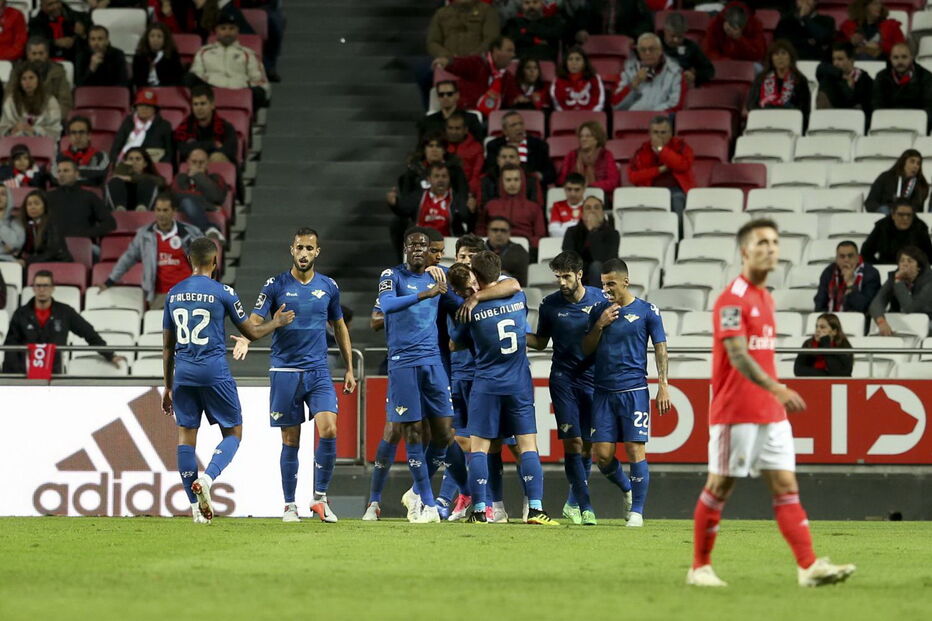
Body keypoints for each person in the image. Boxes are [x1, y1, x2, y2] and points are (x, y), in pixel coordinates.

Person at [687, 218, 856, 588]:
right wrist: (777, 388)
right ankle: (699, 568)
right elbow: (738, 355)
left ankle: (808, 567)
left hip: (771, 412)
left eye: (774, 242)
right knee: (720, 486)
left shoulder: (766, 298)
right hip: (736, 411)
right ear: (745, 251)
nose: (770, 249)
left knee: (785, 485)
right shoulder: (731, 299)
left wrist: (774, 396)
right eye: (761, 242)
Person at [162, 237, 295, 523]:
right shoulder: (224, 292)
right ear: (215, 261)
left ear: (189, 260)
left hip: (182, 374)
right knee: (233, 432)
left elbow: (167, 347)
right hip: (214, 372)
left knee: (186, 436)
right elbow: (252, 332)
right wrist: (277, 322)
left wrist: (167, 387)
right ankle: (208, 479)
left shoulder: (173, 294)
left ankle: (195, 510)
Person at [229, 228, 356, 523]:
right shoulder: (275, 285)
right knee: (291, 440)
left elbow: (339, 327)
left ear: (317, 252)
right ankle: (289, 505)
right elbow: (254, 322)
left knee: (329, 429)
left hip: (318, 371)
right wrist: (247, 338)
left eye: (309, 248)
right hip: (285, 371)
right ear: (292, 250)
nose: (304, 253)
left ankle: (320, 498)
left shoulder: (329, 286)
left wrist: (349, 367)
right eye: (300, 247)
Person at [448, 252, 558, 525]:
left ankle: (479, 510)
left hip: (486, 384)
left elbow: (455, 344)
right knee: (527, 445)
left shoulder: (469, 312)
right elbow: (512, 284)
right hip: (518, 383)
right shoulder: (517, 297)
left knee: (479, 448)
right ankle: (535, 509)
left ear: (476, 275)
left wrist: (471, 303)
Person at [367, 228, 455, 523]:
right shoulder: (392, 275)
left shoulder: (439, 275)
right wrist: (423, 294)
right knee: (405, 431)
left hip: (433, 361)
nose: (418, 248)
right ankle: (421, 503)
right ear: (405, 248)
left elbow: (463, 290)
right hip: (403, 361)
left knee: (445, 432)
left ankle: (418, 493)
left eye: (424, 245)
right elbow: (384, 308)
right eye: (412, 244)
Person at [582, 258, 670, 528]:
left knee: (635, 448)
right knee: (602, 456)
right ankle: (627, 488)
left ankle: (637, 512)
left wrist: (663, 385)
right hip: (603, 391)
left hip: (634, 390)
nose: (606, 289)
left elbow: (660, 347)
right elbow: (586, 349)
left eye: (611, 283)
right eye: (603, 284)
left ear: (625, 282)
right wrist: (599, 325)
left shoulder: (647, 311)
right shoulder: (598, 310)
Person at [526, 251, 607, 525]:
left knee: (588, 445)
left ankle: (573, 503)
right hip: (564, 379)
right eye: (558, 277)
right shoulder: (550, 305)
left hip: (594, 378)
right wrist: (516, 332)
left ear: (579, 275)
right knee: (573, 442)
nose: (562, 282)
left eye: (567, 276)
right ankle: (587, 507)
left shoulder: (600, 299)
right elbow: (540, 342)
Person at [1, 269, 125, 374]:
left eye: (46, 286)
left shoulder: (65, 312)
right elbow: (10, 347)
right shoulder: (20, 314)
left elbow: (89, 333)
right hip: (25, 376)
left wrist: (110, 355)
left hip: (54, 376)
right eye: (38, 286)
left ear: (52, 288)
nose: (42, 290)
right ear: (33, 288)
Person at [103, 192, 202, 309]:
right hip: (159, 296)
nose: (161, 214)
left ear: (173, 211)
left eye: (165, 210)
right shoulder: (144, 235)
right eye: (158, 210)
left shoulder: (189, 232)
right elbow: (129, 257)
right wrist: (110, 281)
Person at [387, 161, 474, 256]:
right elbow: (403, 209)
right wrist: (394, 203)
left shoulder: (456, 199)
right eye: (436, 176)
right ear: (429, 179)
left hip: (448, 246)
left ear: (449, 179)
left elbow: (466, 218)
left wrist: (471, 211)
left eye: (444, 176)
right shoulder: (419, 196)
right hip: (421, 245)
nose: (440, 179)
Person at [189, 14, 270, 110]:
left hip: (240, 93)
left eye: (231, 28)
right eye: (223, 28)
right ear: (216, 31)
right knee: (189, 78)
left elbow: (259, 81)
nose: (227, 32)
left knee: (260, 92)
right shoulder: (203, 52)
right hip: (211, 94)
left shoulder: (249, 54)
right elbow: (197, 75)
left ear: (237, 31)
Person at [431, 37, 520, 117]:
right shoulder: (477, 63)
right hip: (469, 114)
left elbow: (512, 98)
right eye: (509, 51)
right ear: (496, 50)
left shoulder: (507, 77)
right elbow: (459, 65)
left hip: (492, 118)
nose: (513, 55)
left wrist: (518, 99)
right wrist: (447, 62)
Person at [628, 115, 695, 218]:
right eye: (655, 132)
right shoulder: (642, 151)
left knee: (677, 199)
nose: (659, 136)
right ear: (650, 134)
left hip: (677, 189)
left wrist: (661, 149)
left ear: (671, 133)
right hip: (650, 190)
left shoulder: (681, 146)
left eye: (663, 132)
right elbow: (633, 177)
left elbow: (683, 165)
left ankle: (679, 228)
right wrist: (660, 170)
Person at [46, 157, 114, 244]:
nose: (61, 174)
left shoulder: (89, 197)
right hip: (55, 246)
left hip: (84, 245)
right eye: (59, 171)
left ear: (77, 174)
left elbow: (110, 223)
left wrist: (86, 234)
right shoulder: (48, 197)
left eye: (66, 171)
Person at [477, 164, 546, 248]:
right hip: (493, 249)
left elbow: (540, 235)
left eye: (516, 179)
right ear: (502, 182)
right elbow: (480, 231)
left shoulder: (534, 208)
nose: (512, 184)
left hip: (526, 250)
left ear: (522, 181)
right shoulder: (490, 206)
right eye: (508, 180)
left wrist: (528, 245)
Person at [747, 40, 811, 130]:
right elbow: (751, 104)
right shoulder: (761, 78)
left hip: (790, 124)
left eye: (783, 53)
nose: (780, 57)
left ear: (790, 57)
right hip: (764, 122)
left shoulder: (799, 80)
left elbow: (804, 108)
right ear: (771, 58)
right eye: (776, 54)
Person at [612, 33, 685, 112]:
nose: (647, 53)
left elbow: (676, 105)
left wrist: (651, 115)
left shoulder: (675, 72)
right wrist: (633, 84)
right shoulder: (628, 72)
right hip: (631, 118)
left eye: (652, 49)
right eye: (643, 50)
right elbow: (615, 105)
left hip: (661, 118)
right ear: (639, 52)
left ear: (660, 50)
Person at [485, 110, 556, 187]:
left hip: (532, 187)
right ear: (505, 131)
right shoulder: (494, 146)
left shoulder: (539, 145)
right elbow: (490, 171)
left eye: (521, 124)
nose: (519, 128)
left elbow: (550, 173)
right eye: (513, 125)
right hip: (502, 185)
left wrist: (538, 176)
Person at [6, 37, 73, 118]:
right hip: (21, 118)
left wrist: (50, 119)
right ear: (28, 54)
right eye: (34, 54)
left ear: (47, 53)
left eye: (41, 53)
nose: (37, 57)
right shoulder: (17, 71)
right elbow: (9, 98)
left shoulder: (58, 72)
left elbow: (65, 102)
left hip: (50, 118)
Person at [171, 147, 228, 241]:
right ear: (188, 162)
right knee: (187, 201)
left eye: (201, 162)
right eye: (194, 162)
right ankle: (209, 229)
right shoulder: (180, 178)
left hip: (209, 215)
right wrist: (210, 206)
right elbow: (176, 196)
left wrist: (198, 176)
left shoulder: (215, 178)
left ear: (207, 163)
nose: (197, 165)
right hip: (184, 216)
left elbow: (217, 197)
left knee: (187, 200)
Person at [870, 246, 932, 331]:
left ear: (919, 267)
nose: (905, 264)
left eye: (910, 261)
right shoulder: (894, 277)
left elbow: (910, 308)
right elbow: (877, 303)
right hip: (898, 324)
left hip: (925, 325)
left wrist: (899, 282)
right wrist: (881, 321)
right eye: (902, 261)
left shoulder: (929, 281)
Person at [173, 84, 239, 164]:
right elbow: (183, 150)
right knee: (196, 158)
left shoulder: (226, 127)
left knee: (217, 157)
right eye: (195, 104)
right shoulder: (184, 128)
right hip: (193, 168)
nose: (199, 108)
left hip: (218, 166)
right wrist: (212, 145)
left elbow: (230, 151)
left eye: (203, 103)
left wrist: (195, 146)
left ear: (212, 105)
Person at [562, 196, 619, 286]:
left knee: (596, 266)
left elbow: (607, 262)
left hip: (603, 280)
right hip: (578, 278)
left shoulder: (612, 234)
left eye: (596, 207)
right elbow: (570, 260)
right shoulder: (572, 232)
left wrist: (593, 232)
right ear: (582, 213)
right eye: (588, 208)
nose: (592, 211)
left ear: (603, 212)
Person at [814, 241, 882, 314]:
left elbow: (865, 307)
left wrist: (850, 284)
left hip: (860, 319)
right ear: (836, 259)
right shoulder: (829, 272)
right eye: (842, 256)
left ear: (858, 257)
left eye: (850, 256)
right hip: (832, 318)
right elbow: (819, 303)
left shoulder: (871, 273)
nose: (846, 260)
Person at [111, 89, 175, 164]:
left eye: (148, 106)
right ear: (136, 108)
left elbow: (169, 153)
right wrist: (121, 162)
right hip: (128, 162)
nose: (144, 109)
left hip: (153, 163)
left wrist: (158, 166)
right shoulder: (128, 123)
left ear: (154, 110)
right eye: (141, 105)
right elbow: (115, 148)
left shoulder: (164, 125)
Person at [0, 63, 62, 139]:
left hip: (43, 142)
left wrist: (34, 130)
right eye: (24, 79)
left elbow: (55, 130)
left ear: (38, 80)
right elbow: (3, 128)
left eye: (31, 78)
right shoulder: (11, 101)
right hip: (15, 141)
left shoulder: (50, 101)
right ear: (20, 82)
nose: (27, 82)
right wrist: (13, 129)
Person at [557, 120, 620, 195]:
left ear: (597, 139)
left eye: (588, 136)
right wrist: (575, 186)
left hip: (600, 195)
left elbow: (613, 182)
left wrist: (589, 186)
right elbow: (561, 180)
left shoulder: (606, 155)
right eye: (581, 136)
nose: (583, 139)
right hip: (573, 194)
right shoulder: (572, 155)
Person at [861, 200, 932, 265]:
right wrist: (879, 267)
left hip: (914, 270)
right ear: (893, 215)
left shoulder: (920, 228)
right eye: (901, 214)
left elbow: (929, 256)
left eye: (909, 215)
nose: (905, 218)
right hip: (886, 266)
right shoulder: (882, 226)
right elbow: (866, 252)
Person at [426, 0, 501, 60]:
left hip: (478, 64)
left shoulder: (487, 11)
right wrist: (446, 56)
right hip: (448, 64)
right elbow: (433, 42)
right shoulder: (441, 13)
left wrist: (473, 58)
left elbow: (492, 39)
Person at [12, 190, 70, 266]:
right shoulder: (27, 225)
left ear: (45, 206)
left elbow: (52, 252)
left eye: (36, 203)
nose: (32, 207)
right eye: (29, 204)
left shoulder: (53, 224)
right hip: (37, 263)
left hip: (58, 264)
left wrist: (27, 261)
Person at [871, 42, 932, 113]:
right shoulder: (881, 77)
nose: (900, 61)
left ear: (911, 57)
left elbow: (929, 106)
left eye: (904, 57)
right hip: (888, 118)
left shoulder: (925, 76)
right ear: (890, 59)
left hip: (917, 118)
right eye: (895, 57)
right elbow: (876, 105)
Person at [864, 150, 929, 215]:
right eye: (912, 162)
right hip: (885, 215)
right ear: (903, 162)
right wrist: (882, 210)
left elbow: (918, 209)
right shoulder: (885, 177)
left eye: (918, 163)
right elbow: (870, 202)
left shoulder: (921, 185)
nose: (915, 166)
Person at [661, 12, 715, 89]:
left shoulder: (691, 47)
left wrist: (695, 75)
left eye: (680, 36)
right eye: (672, 36)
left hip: (684, 87)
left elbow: (709, 71)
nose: (676, 40)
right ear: (665, 31)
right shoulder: (654, 44)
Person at [816, 42, 873, 113]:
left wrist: (849, 88)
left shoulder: (863, 78)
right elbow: (820, 68)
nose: (835, 63)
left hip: (854, 116)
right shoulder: (831, 75)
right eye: (834, 59)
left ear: (851, 60)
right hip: (832, 115)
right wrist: (842, 76)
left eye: (840, 59)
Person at [418, 80, 484, 141]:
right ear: (438, 97)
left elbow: (479, 144)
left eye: (449, 94)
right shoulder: (427, 121)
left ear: (457, 95)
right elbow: (421, 146)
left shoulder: (471, 119)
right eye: (441, 94)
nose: (445, 97)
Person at [840, 0, 905, 60]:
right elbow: (838, 50)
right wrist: (851, 43)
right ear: (864, 6)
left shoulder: (892, 26)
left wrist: (880, 47)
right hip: (854, 64)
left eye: (880, 3)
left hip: (883, 63)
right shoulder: (848, 26)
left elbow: (902, 50)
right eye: (875, 4)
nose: (879, 6)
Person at [106, 147, 165, 212]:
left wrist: (131, 178)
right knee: (115, 181)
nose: (134, 162)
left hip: (145, 209)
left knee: (147, 182)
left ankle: (142, 208)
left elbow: (160, 182)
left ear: (145, 164)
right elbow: (113, 179)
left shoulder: (152, 178)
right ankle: (119, 210)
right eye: (130, 159)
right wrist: (123, 168)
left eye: (138, 159)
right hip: (122, 207)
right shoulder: (119, 178)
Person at [551, 46, 605, 111]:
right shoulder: (558, 79)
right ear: (566, 62)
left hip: (590, 115)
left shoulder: (594, 78)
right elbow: (557, 102)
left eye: (578, 59)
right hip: (565, 115)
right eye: (570, 59)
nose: (574, 63)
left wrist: (589, 115)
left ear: (584, 62)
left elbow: (598, 101)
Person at [568, 0, 653, 42]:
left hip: (625, 43)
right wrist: (581, 31)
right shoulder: (592, 1)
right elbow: (581, 18)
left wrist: (634, 37)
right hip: (597, 43)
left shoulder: (634, 1)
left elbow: (645, 22)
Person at [60, 116, 109, 187]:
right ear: (69, 137)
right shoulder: (60, 156)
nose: (77, 136)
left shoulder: (101, 155)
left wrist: (69, 173)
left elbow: (102, 172)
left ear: (89, 135)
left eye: (81, 132)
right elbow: (54, 176)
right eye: (73, 133)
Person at [132, 22, 185, 88]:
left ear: (165, 39)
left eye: (159, 36)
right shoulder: (139, 56)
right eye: (152, 36)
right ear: (147, 38)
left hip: (166, 90)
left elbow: (177, 79)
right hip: (145, 90)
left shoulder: (172, 55)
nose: (155, 39)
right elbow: (138, 80)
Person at [445, 111, 484, 198]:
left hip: (467, 192)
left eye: (457, 128)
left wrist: (466, 193)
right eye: (450, 128)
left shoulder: (476, 148)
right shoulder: (440, 146)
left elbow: (476, 175)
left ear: (465, 130)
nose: (453, 132)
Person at [485, 216, 529, 286]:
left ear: (509, 233)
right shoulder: (479, 249)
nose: (499, 234)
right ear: (488, 232)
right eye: (495, 230)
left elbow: (523, 280)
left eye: (503, 230)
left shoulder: (519, 250)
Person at [549, 172, 586, 238]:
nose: (572, 194)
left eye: (577, 190)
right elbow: (554, 232)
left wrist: (564, 226)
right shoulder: (557, 206)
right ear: (564, 189)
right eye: (569, 189)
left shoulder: (590, 206)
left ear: (584, 189)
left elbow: (592, 231)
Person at [0, 185, 22, 261]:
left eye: (3, 194)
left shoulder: (16, 222)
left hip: (9, 261)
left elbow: (14, 244)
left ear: (9, 198)